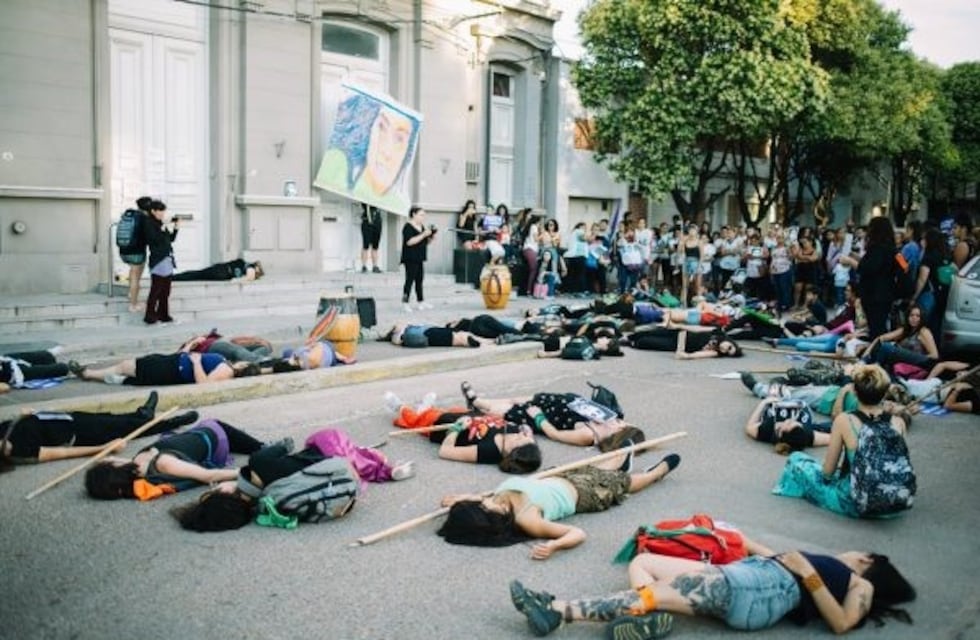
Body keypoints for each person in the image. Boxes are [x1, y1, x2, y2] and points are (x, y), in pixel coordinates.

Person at [509, 544, 914, 636]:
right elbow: (773, 558)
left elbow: (842, 623)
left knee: (660, 592)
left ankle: (558, 610)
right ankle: (648, 622)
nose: (850, 552)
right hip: (747, 577)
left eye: (859, 553)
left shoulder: (858, 584)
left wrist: (808, 572)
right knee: (646, 563)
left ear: (869, 562)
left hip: (761, 589)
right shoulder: (836, 569)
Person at [437, 452, 682, 559]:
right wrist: (556, 545)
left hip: (560, 476)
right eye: (485, 508)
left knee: (600, 465)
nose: (488, 502)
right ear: (492, 521)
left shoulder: (492, 501)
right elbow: (577, 533)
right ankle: (655, 473)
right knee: (623, 483)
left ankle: (622, 459)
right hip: (586, 493)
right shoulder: (526, 520)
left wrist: (460, 499)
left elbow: (479, 499)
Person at [171, 428, 414, 531]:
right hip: (327, 459)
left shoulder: (267, 502)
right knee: (324, 436)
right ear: (226, 493)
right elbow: (285, 444)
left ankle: (372, 463)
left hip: (333, 475)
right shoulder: (258, 462)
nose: (217, 485)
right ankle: (383, 467)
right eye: (216, 489)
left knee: (353, 456)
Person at [773, 364, 912, 518]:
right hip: (895, 504)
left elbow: (827, 473)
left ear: (854, 390)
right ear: (885, 393)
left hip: (857, 503)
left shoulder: (845, 420)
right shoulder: (898, 422)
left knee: (796, 459)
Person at [0, 392, 198, 471]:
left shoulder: (2, 432)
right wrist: (102, 448)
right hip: (79, 435)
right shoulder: (17, 451)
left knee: (112, 418)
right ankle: (170, 423)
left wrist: (28, 415)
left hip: (67, 419)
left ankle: (143, 413)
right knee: (127, 428)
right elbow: (60, 453)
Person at [84, 418, 267, 500]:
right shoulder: (163, 464)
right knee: (217, 424)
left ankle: (249, 441)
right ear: (115, 470)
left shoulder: (137, 469)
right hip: (215, 438)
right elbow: (208, 476)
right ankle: (261, 446)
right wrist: (245, 473)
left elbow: (103, 461)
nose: (111, 459)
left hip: (195, 436)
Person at [314, 89, 421, 214]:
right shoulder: (339, 165)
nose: (386, 152)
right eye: (381, 128)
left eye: (399, 139)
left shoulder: (398, 202)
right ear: (367, 129)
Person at [458, 381, 644, 449]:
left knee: (513, 410)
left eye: (622, 426)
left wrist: (539, 417)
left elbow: (556, 434)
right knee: (515, 399)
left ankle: (477, 403)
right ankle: (479, 403)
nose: (620, 422)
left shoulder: (588, 436)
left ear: (617, 436)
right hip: (560, 402)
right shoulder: (610, 421)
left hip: (548, 415)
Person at [69, 343, 262, 386]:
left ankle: (89, 373)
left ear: (243, 367)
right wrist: (188, 349)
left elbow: (203, 384)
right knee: (128, 368)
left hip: (171, 369)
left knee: (128, 367)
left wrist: (195, 362)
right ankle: (93, 374)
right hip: (174, 362)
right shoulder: (226, 365)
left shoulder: (227, 371)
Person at [846, 217, 897, 340]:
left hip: (874, 294)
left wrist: (850, 261)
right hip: (886, 292)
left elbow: (869, 268)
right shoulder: (893, 249)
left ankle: (876, 353)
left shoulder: (877, 249)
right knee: (878, 325)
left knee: (876, 327)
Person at [862, 305, 939, 376]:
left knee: (887, 347)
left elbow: (935, 355)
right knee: (882, 347)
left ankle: (874, 370)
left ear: (922, 318)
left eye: (917, 316)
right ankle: (867, 365)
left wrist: (910, 355)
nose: (914, 318)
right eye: (911, 315)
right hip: (904, 359)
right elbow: (881, 338)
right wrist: (866, 354)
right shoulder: (906, 330)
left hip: (921, 360)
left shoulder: (924, 331)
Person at [142, 199, 179, 325]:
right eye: (160, 211)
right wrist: (163, 226)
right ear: (153, 211)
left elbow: (170, 239)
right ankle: (150, 315)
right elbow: (154, 240)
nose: (162, 213)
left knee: (166, 290)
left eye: (163, 211)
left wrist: (175, 228)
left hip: (167, 259)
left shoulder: (160, 223)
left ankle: (163, 314)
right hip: (158, 260)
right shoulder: (149, 223)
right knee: (156, 289)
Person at [119, 196, 153, 312]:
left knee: (133, 273)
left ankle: (131, 293)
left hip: (124, 251)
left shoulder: (129, 215)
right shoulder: (144, 218)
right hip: (137, 253)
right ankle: (133, 304)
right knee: (135, 278)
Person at [401, 206, 436, 312]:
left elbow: (425, 242)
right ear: (413, 214)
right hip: (410, 257)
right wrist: (423, 235)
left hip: (420, 257)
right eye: (421, 215)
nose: (423, 217)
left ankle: (421, 301)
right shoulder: (407, 227)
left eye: (424, 215)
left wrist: (431, 237)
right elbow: (409, 242)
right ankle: (405, 302)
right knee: (409, 280)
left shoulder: (422, 227)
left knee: (419, 280)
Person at [627, 327, 743, 359]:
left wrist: (681, 351)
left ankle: (630, 343)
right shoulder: (718, 333)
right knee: (651, 332)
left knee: (645, 342)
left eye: (727, 353)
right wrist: (682, 326)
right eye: (729, 348)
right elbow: (699, 329)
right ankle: (627, 337)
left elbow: (690, 356)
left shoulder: (714, 352)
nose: (725, 350)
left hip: (677, 343)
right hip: (680, 333)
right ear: (730, 342)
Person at [381, 323, 491, 348]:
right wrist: (397, 331)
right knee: (459, 338)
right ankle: (484, 343)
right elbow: (397, 341)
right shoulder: (399, 335)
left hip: (431, 330)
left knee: (461, 334)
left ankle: (489, 341)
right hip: (429, 334)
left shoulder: (409, 329)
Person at [1, 350, 69, 387]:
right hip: (13, 374)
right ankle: (68, 368)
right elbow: (4, 388)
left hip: (5, 360)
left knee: (45, 356)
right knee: (61, 368)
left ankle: (51, 356)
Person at [171, 258, 264, 282]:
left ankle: (173, 278)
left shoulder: (242, 263)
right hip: (222, 273)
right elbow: (250, 276)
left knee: (196, 274)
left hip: (221, 270)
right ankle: (174, 278)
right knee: (197, 275)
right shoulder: (246, 266)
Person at [360, 203, 384, 273]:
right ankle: (364, 266)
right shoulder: (365, 198)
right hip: (366, 222)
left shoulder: (378, 198)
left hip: (377, 222)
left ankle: (375, 266)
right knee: (365, 245)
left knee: (375, 246)